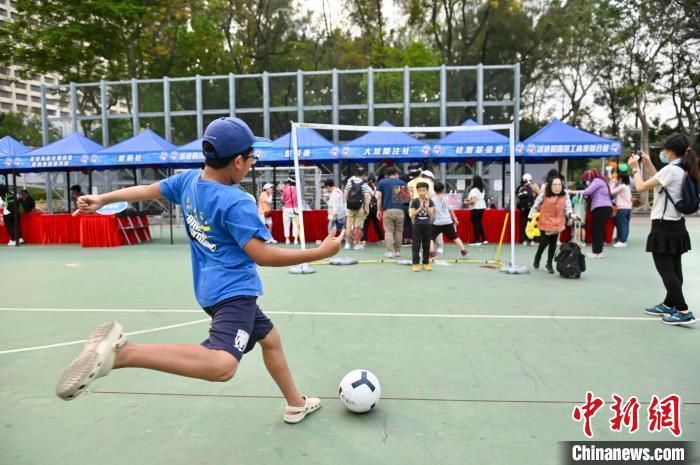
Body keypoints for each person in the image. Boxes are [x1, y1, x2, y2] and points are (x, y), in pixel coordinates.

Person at [56, 117, 345, 423]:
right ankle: (124, 353)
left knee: (270, 339)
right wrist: (318, 252)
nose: (251, 163)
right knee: (222, 365)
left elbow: (145, 190)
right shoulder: (236, 202)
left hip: (208, 291)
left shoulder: (188, 182)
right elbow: (261, 255)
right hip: (234, 293)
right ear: (237, 161)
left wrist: (102, 198)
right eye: (250, 158)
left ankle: (295, 403)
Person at [629, 133, 697, 326]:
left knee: (666, 271)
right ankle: (669, 304)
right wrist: (648, 163)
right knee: (675, 268)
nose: (662, 152)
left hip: (663, 226)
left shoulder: (671, 170)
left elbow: (641, 186)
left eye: (663, 149)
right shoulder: (681, 168)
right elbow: (659, 179)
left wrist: (635, 169)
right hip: (676, 225)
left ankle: (683, 310)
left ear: (670, 151)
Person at [528, 175, 577, 273]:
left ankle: (549, 264)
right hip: (545, 221)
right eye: (555, 184)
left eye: (559, 184)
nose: (557, 187)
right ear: (550, 185)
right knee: (544, 242)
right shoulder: (544, 194)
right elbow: (535, 205)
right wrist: (530, 217)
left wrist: (571, 214)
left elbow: (568, 207)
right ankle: (538, 256)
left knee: (553, 244)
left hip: (557, 223)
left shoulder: (565, 194)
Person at [581, 169, 613, 258]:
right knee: (599, 230)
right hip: (605, 207)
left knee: (596, 230)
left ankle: (596, 252)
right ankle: (599, 251)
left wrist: (578, 192)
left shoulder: (596, 181)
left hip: (600, 207)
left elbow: (587, 191)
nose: (587, 180)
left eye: (587, 178)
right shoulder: (602, 181)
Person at [376, 166, 407, 258]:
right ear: (396, 173)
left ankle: (390, 252)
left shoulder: (382, 182)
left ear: (387, 174)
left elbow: (379, 197)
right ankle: (397, 251)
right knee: (398, 231)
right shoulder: (402, 183)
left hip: (387, 210)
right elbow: (405, 199)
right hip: (400, 210)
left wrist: (378, 210)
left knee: (388, 231)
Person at [431, 182, 468, 257]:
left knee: (430, 238)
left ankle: (432, 253)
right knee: (455, 236)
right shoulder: (446, 198)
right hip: (447, 221)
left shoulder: (432, 200)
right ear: (442, 190)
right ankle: (463, 250)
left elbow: (432, 211)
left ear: (434, 190)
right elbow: (451, 209)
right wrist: (455, 219)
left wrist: (432, 218)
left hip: (437, 222)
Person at [409, 182, 435, 272]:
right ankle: (415, 264)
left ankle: (426, 263)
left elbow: (432, 216)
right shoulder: (415, 201)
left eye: (423, 190)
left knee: (426, 244)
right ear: (417, 191)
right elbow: (412, 214)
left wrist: (427, 207)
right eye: (419, 190)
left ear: (427, 191)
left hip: (427, 224)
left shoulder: (430, 201)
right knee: (416, 244)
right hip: (417, 224)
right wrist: (420, 207)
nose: (421, 192)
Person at [344, 167, 371, 250]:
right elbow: (367, 196)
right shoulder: (364, 184)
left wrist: (346, 203)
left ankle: (347, 244)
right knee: (357, 227)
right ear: (364, 174)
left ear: (356, 173)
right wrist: (367, 208)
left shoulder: (350, 181)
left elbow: (345, 193)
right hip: (359, 207)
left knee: (348, 226)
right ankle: (356, 244)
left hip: (350, 207)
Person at [610, 172, 632, 247]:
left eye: (618, 178)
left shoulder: (622, 186)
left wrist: (613, 182)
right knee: (624, 224)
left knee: (622, 224)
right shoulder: (627, 186)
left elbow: (611, 191)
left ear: (621, 179)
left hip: (622, 208)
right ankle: (622, 239)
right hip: (627, 207)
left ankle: (622, 241)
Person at [464, 175, 487, 245]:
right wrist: (469, 200)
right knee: (479, 223)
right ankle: (484, 239)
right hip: (481, 207)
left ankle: (477, 240)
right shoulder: (482, 189)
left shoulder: (474, 190)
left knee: (476, 224)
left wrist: (466, 202)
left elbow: (473, 201)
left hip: (475, 208)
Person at [361, 174, 384, 244]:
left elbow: (365, 198)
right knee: (376, 224)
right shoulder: (377, 188)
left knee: (366, 224)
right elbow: (378, 198)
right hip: (375, 207)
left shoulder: (365, 188)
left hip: (368, 207)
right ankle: (382, 238)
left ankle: (363, 239)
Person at [516, 173, 536, 245]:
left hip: (526, 208)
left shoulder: (521, 187)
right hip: (527, 208)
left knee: (526, 224)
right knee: (527, 224)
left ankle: (528, 239)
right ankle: (528, 239)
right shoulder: (527, 187)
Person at [281, 178, 299, 244]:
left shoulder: (285, 190)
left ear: (288, 183)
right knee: (295, 224)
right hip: (295, 208)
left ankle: (287, 239)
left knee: (286, 224)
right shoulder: (297, 190)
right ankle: (295, 239)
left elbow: (282, 199)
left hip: (287, 208)